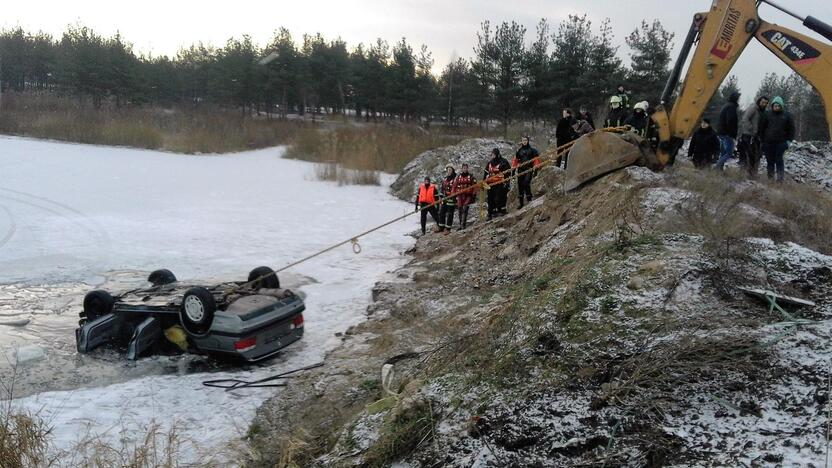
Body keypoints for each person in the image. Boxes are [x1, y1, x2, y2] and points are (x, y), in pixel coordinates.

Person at [758, 96, 795, 183]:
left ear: (781, 106)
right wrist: (762, 141)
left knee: (779, 161)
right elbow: (761, 128)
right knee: (770, 161)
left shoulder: (787, 115)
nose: (776, 107)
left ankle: (780, 180)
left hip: (781, 143)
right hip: (768, 143)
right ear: (772, 106)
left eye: (778, 106)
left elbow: (792, 129)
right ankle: (770, 179)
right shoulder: (767, 114)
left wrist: (789, 141)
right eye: (775, 105)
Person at [738, 96, 769, 178]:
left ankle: (753, 173)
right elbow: (745, 118)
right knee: (748, 154)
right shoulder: (753, 108)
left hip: (757, 136)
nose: (764, 104)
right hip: (748, 135)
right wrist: (752, 129)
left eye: (766, 103)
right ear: (759, 101)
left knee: (757, 155)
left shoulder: (763, 112)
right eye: (763, 102)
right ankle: (745, 173)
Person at [715, 91, 741, 170]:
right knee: (729, 153)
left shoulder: (726, 105)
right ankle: (717, 167)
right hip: (727, 133)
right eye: (738, 98)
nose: (739, 100)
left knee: (723, 152)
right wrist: (732, 133)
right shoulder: (731, 107)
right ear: (735, 98)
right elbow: (730, 121)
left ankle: (719, 169)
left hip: (721, 132)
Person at [483, 148, 511, 220]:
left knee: (499, 198)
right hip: (491, 184)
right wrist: (484, 183)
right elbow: (485, 173)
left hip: (500, 183)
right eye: (492, 154)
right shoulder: (489, 163)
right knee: (490, 199)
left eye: (494, 154)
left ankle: (501, 211)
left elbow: (508, 172)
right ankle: (490, 213)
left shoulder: (503, 162)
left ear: (497, 154)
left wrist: (507, 182)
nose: (492, 156)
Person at [513, 136, 539, 209]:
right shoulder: (519, 151)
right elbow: (516, 160)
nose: (524, 141)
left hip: (529, 169)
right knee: (520, 185)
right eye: (523, 140)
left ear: (528, 141)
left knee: (526, 183)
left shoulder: (532, 150)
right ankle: (521, 203)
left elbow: (536, 160)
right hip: (521, 170)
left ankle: (529, 199)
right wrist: (513, 170)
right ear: (521, 141)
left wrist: (535, 169)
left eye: (525, 140)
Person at [452, 163, 477, 230]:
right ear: (462, 169)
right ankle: (460, 225)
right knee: (460, 209)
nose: (465, 169)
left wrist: (474, 194)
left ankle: (463, 224)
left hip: (468, 195)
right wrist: (453, 195)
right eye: (463, 168)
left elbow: (475, 186)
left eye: (466, 168)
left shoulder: (471, 177)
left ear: (467, 168)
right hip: (460, 195)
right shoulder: (458, 177)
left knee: (465, 208)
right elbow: (454, 186)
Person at [436, 165, 457, 233]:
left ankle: (448, 229)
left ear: (453, 170)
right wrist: (441, 196)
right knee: (442, 212)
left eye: (450, 170)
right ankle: (441, 227)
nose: (448, 171)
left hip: (451, 199)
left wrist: (454, 198)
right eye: (447, 170)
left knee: (450, 214)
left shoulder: (455, 179)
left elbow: (456, 188)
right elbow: (442, 189)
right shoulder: (445, 179)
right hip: (444, 198)